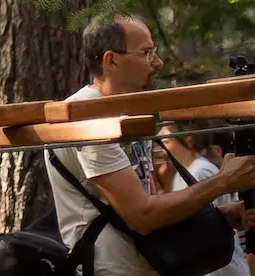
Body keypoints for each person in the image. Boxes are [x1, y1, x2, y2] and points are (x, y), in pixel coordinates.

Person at [46, 15, 255, 276]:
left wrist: (218, 216)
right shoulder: (91, 116)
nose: (158, 62)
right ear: (111, 60)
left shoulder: (127, 112)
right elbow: (143, 216)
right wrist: (223, 181)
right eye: (146, 53)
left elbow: (154, 205)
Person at [155, 124, 250, 276]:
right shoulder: (183, 173)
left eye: (166, 140)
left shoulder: (201, 171)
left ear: (188, 139)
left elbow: (209, 222)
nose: (162, 147)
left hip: (221, 269)